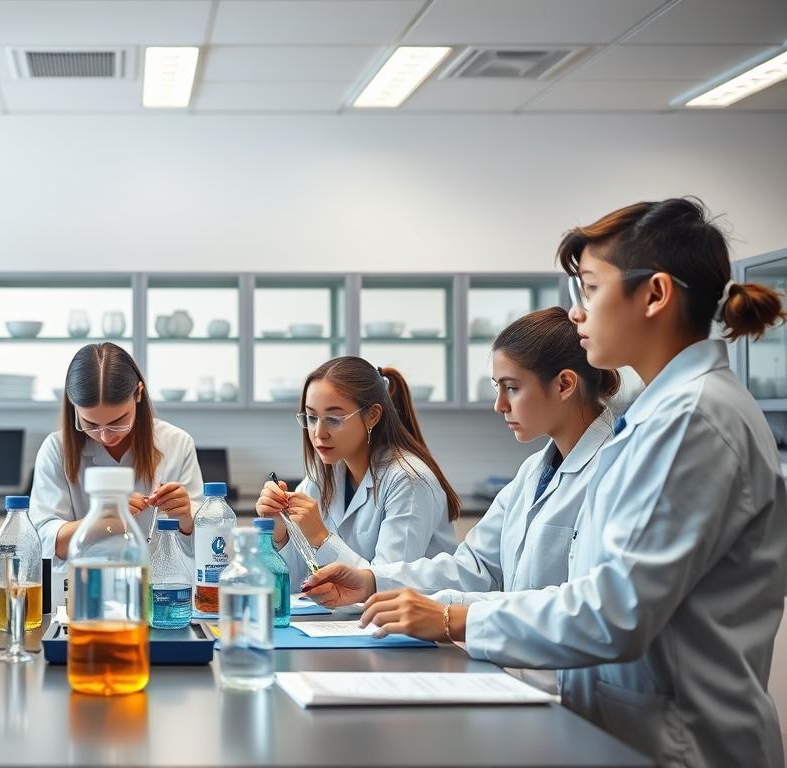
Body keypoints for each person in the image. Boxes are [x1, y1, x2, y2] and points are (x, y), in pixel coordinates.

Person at [304, 198, 787, 766]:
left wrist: (453, 618)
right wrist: (374, 582)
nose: (577, 313)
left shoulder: (691, 422)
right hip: (617, 727)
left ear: (655, 294)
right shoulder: (651, 422)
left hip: (680, 743)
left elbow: (615, 612)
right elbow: (483, 569)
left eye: (590, 288)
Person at [306, 307, 619, 690]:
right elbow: (475, 568)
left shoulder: (615, 468)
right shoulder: (533, 471)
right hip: (522, 676)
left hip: (581, 688)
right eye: (497, 388)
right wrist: (371, 580)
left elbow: (588, 607)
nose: (499, 405)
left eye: (512, 388)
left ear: (565, 385)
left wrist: (449, 617)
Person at [256, 357, 458, 592]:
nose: (319, 433)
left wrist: (320, 537)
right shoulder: (321, 477)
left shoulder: (409, 481)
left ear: (372, 416)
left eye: (333, 419)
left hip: (410, 624)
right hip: (346, 622)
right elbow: (292, 586)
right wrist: (280, 534)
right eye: (311, 417)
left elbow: (387, 588)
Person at [31, 343, 204, 589]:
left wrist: (186, 517)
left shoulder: (177, 444)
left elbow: (204, 547)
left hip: (161, 593)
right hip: (83, 593)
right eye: (90, 424)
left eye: (117, 422)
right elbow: (43, 543)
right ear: (73, 405)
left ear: (139, 394)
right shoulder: (56, 449)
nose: (105, 436)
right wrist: (106, 519)